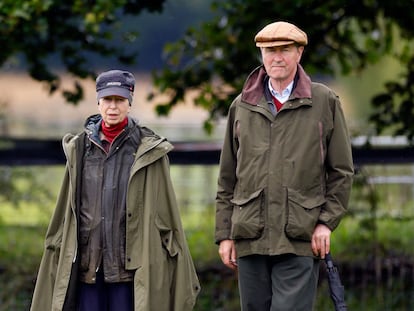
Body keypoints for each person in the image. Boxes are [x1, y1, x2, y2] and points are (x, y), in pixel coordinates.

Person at [30, 69, 200, 311]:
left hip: (129, 268)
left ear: (129, 104)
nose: (113, 106)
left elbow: (167, 215)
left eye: (119, 100)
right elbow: (65, 214)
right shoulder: (79, 149)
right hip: (88, 264)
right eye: (107, 100)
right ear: (98, 102)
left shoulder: (148, 151)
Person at [215, 21, 354, 311]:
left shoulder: (323, 101)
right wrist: (225, 234)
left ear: (299, 53)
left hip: (300, 236)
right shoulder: (241, 105)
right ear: (261, 55)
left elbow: (341, 172)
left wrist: (326, 222)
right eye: (270, 50)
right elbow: (227, 178)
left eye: (285, 50)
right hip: (250, 235)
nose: (277, 57)